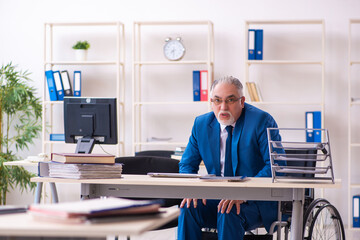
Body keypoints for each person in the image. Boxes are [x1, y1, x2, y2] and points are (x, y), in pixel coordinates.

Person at [177, 76, 282, 240]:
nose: (223, 107)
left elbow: (275, 165)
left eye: (230, 100)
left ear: (242, 101)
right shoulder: (201, 124)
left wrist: (244, 193)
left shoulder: (261, 120)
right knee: (189, 207)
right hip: (218, 198)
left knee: (228, 210)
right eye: (217, 101)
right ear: (211, 102)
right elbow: (186, 165)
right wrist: (192, 189)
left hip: (255, 201)